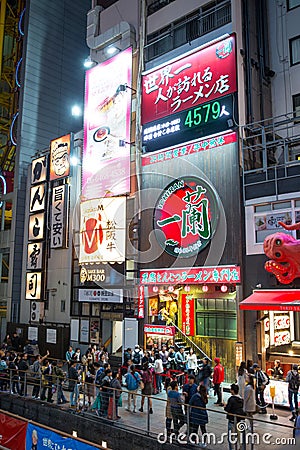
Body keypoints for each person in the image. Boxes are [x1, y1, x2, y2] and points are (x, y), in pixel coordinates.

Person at [224, 384, 246, 450]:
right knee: (240, 437)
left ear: (233, 391)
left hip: (232, 420)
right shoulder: (241, 400)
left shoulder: (231, 399)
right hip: (240, 421)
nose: (230, 391)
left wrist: (225, 406)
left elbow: (227, 409)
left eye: (231, 389)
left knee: (231, 437)